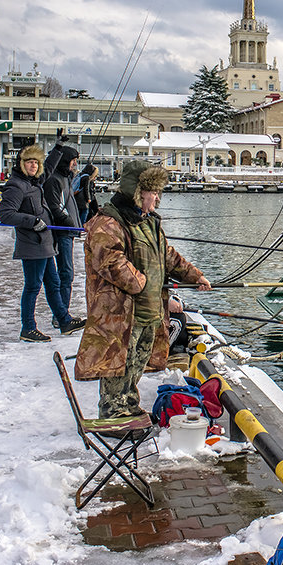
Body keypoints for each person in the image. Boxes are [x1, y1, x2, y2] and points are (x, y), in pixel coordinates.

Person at [74, 159, 211, 418]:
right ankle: (114, 412)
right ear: (139, 192)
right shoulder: (108, 222)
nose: (157, 199)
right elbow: (110, 261)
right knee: (119, 362)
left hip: (148, 310)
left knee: (137, 361)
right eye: (154, 193)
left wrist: (194, 276)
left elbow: (167, 256)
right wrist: (144, 283)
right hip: (120, 312)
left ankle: (129, 404)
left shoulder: (149, 222)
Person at [0, 143, 86, 343]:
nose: (34, 166)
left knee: (53, 284)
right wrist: (32, 221)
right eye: (29, 163)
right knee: (33, 286)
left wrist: (58, 149)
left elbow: (50, 168)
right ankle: (28, 328)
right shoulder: (16, 185)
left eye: (36, 163)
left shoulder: (34, 182)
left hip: (45, 244)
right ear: (22, 164)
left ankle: (64, 321)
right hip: (32, 244)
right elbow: (5, 214)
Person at [44, 136, 81, 323]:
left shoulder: (65, 178)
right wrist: (69, 223)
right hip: (61, 232)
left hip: (69, 231)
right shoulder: (53, 180)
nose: (75, 165)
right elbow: (55, 208)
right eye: (73, 161)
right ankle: (60, 315)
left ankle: (61, 313)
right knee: (65, 274)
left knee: (67, 274)